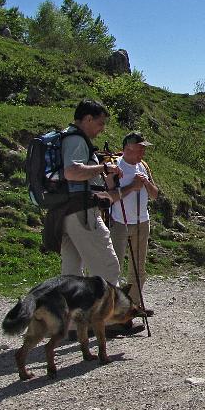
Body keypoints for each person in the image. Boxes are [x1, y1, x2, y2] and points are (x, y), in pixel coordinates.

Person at [55, 100, 124, 286]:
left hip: (66, 210)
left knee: (72, 273)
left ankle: (73, 314)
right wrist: (103, 167)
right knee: (107, 267)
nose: (102, 129)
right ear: (87, 119)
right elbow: (72, 171)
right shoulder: (76, 139)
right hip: (82, 211)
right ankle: (110, 313)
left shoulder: (66, 137)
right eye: (100, 123)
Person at [109, 131, 160, 316]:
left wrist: (146, 184)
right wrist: (132, 187)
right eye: (140, 148)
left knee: (139, 267)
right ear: (127, 148)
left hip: (142, 221)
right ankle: (112, 308)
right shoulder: (115, 166)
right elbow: (110, 196)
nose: (142, 153)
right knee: (114, 266)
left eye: (143, 149)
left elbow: (155, 194)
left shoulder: (143, 166)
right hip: (119, 221)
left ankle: (133, 305)